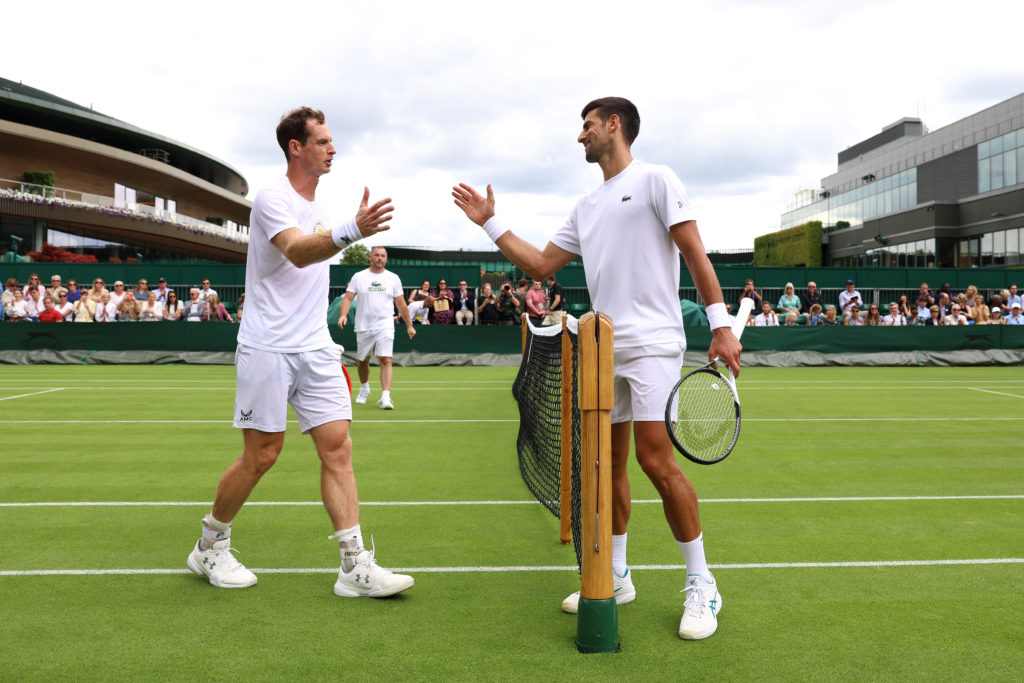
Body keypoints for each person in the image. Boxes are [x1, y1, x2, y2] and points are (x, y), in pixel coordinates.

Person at [453, 96, 742, 640]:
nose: (580, 136)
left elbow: (696, 253)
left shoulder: (657, 179)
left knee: (656, 461)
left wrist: (721, 325)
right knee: (606, 466)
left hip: (654, 344)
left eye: (586, 125)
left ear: (614, 125)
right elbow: (540, 264)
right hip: (604, 348)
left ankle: (703, 582)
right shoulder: (585, 206)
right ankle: (617, 572)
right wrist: (491, 223)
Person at [187, 106, 411, 598]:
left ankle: (354, 566)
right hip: (267, 345)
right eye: (323, 141)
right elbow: (295, 249)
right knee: (262, 454)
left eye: (332, 141)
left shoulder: (321, 207)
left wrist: (346, 228)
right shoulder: (272, 197)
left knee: (338, 447)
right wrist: (353, 229)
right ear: (296, 147)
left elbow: (314, 247)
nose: (333, 149)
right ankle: (209, 547)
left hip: (315, 347)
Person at [338, 246, 416, 411]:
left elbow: (401, 303)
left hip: (385, 323)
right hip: (364, 325)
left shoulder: (393, 278)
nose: (380, 258)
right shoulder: (358, 277)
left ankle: (385, 396)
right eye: (377, 255)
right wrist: (343, 315)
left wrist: (409, 325)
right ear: (370, 257)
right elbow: (348, 298)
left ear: (386, 259)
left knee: (386, 359)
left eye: (383, 256)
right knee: (362, 361)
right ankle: (365, 387)